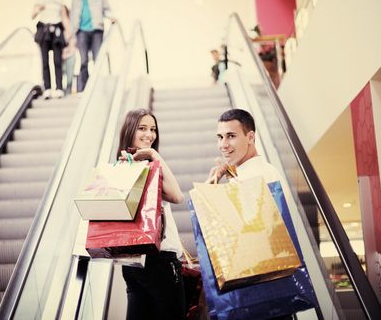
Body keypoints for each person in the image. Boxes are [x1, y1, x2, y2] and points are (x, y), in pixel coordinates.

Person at [204, 108, 294, 320]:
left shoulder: (254, 177)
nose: (223, 145)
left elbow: (247, 233)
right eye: (220, 137)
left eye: (231, 136)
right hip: (266, 287)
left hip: (258, 288)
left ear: (250, 137)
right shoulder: (257, 172)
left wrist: (210, 192)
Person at [117, 108, 186, 320]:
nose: (150, 135)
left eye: (153, 129)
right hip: (159, 260)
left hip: (132, 262)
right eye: (142, 128)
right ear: (130, 130)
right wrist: (155, 155)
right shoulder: (147, 166)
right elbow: (177, 196)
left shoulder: (120, 166)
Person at [70, 0, 116, 93]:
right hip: (81, 31)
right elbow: (73, 16)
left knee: (97, 59)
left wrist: (111, 17)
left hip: (96, 30)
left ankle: (98, 87)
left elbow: (107, 9)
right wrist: (72, 35)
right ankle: (83, 88)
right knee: (83, 60)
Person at [32, 0, 71, 99]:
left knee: (57, 60)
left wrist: (69, 33)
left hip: (57, 31)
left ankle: (59, 88)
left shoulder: (59, 0)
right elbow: (32, 15)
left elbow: (64, 17)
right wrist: (38, 9)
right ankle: (47, 88)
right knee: (45, 61)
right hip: (44, 30)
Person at [62, 6, 77, 95]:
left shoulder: (72, 23)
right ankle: (63, 90)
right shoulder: (58, 23)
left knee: (70, 74)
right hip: (61, 54)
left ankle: (68, 90)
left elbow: (73, 38)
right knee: (62, 73)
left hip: (71, 52)